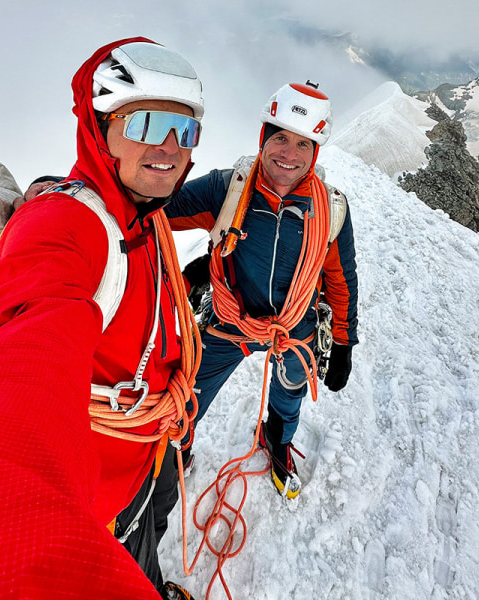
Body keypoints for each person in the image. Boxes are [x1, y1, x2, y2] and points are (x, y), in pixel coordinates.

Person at [0, 38, 202, 600]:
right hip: (97, 488)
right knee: (131, 543)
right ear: (99, 129)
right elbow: (20, 357)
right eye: (145, 124)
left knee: (154, 521)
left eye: (184, 131)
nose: (168, 147)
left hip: (149, 449)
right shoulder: (67, 227)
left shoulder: (142, 215)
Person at [164, 82, 359, 500]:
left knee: (289, 393)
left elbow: (342, 280)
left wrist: (344, 343)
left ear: (316, 151)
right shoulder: (227, 189)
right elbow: (155, 207)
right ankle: (177, 444)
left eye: (303, 144)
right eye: (280, 138)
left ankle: (277, 435)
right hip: (229, 318)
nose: (289, 155)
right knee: (188, 393)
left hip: (295, 326)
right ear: (263, 138)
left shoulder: (331, 209)